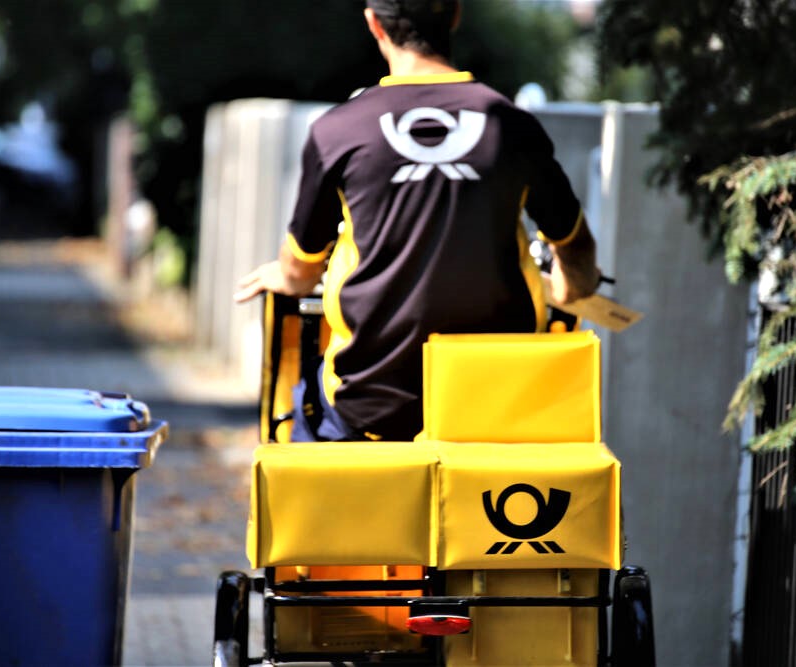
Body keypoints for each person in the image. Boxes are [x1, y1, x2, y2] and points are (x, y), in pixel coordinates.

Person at [234, 0, 601, 442]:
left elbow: (299, 272)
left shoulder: (338, 130)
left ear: (374, 24)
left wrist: (286, 273)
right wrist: (565, 286)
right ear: (456, 16)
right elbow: (576, 249)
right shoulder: (512, 127)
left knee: (303, 410)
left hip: (365, 409)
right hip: (495, 407)